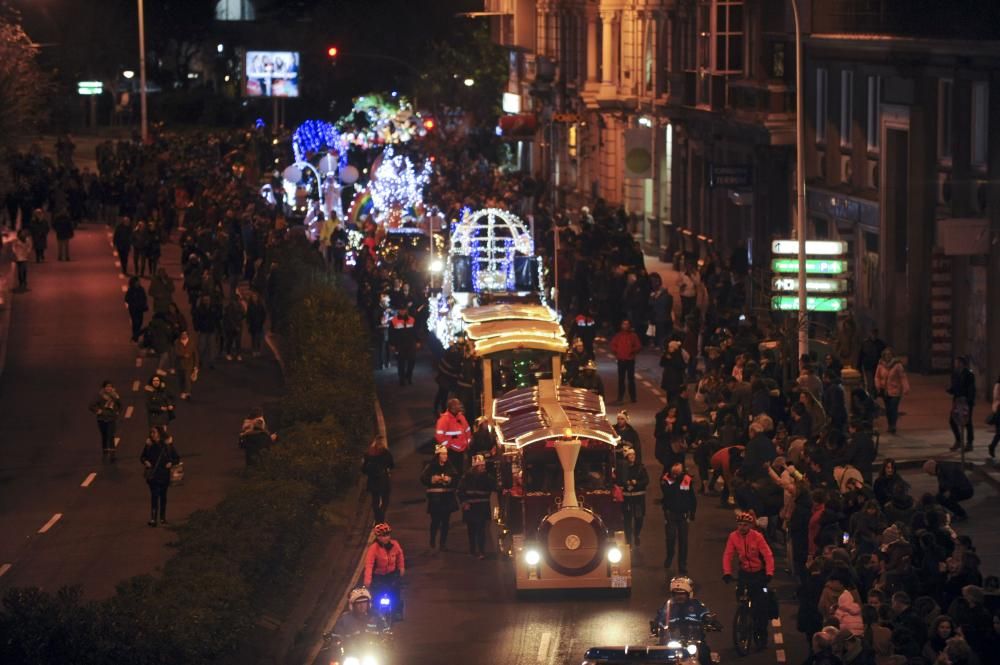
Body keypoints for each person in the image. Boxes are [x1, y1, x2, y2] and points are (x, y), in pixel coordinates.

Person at [722, 511, 775, 648]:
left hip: (759, 573)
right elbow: (728, 555)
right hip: (745, 572)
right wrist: (727, 572)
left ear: (750, 526)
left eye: (745, 525)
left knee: (760, 608)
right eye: (739, 525)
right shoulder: (733, 537)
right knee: (741, 597)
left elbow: (768, 555)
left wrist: (769, 573)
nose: (742, 527)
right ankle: (744, 617)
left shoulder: (757, 537)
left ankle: (761, 634)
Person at [652, 576, 718, 665]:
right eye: (676, 594)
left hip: (694, 641)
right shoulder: (668, 606)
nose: (679, 596)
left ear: (689, 594)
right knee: (659, 657)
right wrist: (656, 624)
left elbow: (704, 614)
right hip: (672, 640)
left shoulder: (696, 605)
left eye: (682, 594)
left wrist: (709, 619)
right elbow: (661, 616)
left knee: (704, 654)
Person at [362, 523, 405, 620]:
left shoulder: (395, 545)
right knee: (376, 596)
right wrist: (367, 581)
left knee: (395, 593)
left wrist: (401, 568)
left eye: (387, 535)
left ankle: (397, 611)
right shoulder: (373, 549)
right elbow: (369, 565)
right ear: (378, 537)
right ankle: (375, 614)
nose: (386, 538)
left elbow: (400, 556)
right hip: (378, 576)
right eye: (383, 536)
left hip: (392, 575)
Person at [458, 454, 497, 559]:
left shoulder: (487, 477)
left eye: (484, 466)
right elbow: (460, 491)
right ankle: (472, 550)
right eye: (481, 466)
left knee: (481, 530)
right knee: (471, 530)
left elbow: (495, 487)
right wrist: (464, 502)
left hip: (482, 507)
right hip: (470, 507)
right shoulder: (466, 477)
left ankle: (481, 551)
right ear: (475, 467)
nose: (483, 468)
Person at [420, 445, 458, 550]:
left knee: (446, 522)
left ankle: (443, 543)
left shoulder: (450, 466)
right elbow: (423, 478)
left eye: (446, 454)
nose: (445, 456)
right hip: (435, 499)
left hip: (447, 499)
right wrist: (433, 479)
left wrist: (449, 480)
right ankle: (432, 540)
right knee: (435, 521)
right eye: (443, 454)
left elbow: (456, 479)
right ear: (438, 455)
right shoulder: (431, 467)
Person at [140, 426, 180, 526]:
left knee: (163, 496)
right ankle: (153, 519)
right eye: (151, 432)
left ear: (159, 433)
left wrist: (171, 463)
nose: (152, 434)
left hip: (164, 474)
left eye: (154, 432)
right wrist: (146, 461)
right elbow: (142, 457)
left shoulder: (167, 445)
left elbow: (177, 458)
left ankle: (162, 518)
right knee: (154, 496)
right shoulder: (149, 445)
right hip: (153, 475)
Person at [661, 462, 696, 574]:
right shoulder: (667, 479)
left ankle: (682, 565)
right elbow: (667, 494)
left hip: (683, 515)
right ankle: (670, 555)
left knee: (683, 541)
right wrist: (674, 479)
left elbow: (692, 497)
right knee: (670, 538)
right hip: (671, 513)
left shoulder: (687, 479)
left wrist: (693, 512)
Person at [617, 446, 649, 546]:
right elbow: (618, 480)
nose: (632, 456)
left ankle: (637, 534)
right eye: (630, 455)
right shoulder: (622, 468)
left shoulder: (640, 468)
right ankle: (629, 541)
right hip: (627, 498)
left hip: (638, 499)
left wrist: (637, 483)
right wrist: (623, 485)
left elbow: (646, 481)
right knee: (627, 520)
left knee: (639, 518)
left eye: (633, 454)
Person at [874, 349, 909, 434]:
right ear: (884, 356)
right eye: (886, 354)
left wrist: (906, 388)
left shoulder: (897, 365)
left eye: (890, 354)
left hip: (895, 390)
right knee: (888, 409)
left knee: (893, 408)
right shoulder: (880, 365)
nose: (888, 356)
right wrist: (878, 385)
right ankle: (890, 424)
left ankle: (893, 425)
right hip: (885, 391)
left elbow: (902, 377)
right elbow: (877, 377)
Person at [362, 438, 394, 523]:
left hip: (373, 480)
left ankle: (377, 516)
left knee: (375, 500)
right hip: (383, 479)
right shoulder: (386, 453)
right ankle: (381, 515)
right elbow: (391, 465)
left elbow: (364, 469)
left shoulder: (368, 454)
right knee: (385, 499)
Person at [435, 398, 471, 473]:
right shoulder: (444, 420)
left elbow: (467, 430)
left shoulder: (461, 417)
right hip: (451, 452)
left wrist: (468, 444)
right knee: (452, 472)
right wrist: (449, 445)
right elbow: (439, 437)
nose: (460, 406)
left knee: (461, 471)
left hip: (462, 450)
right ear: (453, 407)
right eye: (458, 405)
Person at [948, 356, 976, 451]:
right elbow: (955, 386)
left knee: (967, 422)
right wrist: (950, 390)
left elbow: (971, 389)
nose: (956, 364)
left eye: (957, 362)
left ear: (962, 363)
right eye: (955, 362)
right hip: (957, 401)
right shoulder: (955, 374)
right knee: (952, 421)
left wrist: (969, 401)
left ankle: (969, 443)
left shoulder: (969, 374)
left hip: (966, 402)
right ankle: (958, 440)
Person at [609, 319, 642, 403]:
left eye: (627, 324)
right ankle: (620, 397)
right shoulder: (618, 335)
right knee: (621, 379)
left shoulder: (633, 336)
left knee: (631, 379)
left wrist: (632, 350)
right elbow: (612, 345)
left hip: (630, 360)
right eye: (624, 324)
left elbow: (638, 346)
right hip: (621, 360)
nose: (625, 326)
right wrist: (617, 352)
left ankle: (633, 397)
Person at [89, 380, 121, 462]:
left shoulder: (115, 396)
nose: (109, 388)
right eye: (107, 386)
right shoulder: (100, 396)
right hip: (102, 419)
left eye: (110, 386)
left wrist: (117, 412)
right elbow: (91, 405)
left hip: (111, 418)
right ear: (104, 388)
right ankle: (105, 452)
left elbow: (120, 405)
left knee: (111, 435)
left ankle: (112, 455)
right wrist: (98, 411)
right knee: (104, 436)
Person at [388, 305, 418, 386]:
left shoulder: (412, 319)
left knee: (412, 361)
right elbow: (391, 334)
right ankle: (402, 379)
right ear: (398, 311)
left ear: (406, 310)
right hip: (400, 344)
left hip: (410, 343)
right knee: (401, 363)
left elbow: (415, 331)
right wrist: (392, 344)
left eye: (404, 310)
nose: (402, 311)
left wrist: (418, 341)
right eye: (401, 310)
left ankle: (409, 376)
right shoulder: (394, 321)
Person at [858, 329, 887, 393]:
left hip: (878, 366)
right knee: (870, 382)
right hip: (868, 366)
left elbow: (884, 355)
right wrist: (859, 365)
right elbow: (861, 355)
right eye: (872, 334)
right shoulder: (865, 343)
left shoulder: (881, 344)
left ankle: (875, 393)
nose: (874, 335)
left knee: (877, 380)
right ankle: (871, 394)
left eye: (875, 334)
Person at [173, 330, 198, 400]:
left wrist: (196, 366)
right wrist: (183, 355)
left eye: (185, 334)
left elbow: (195, 354)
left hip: (189, 364)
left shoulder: (192, 343)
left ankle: (188, 392)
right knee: (181, 379)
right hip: (179, 365)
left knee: (187, 378)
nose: (184, 336)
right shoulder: (177, 342)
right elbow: (176, 352)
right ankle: (182, 391)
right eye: (182, 334)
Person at [124, 276, 148, 342]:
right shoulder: (131, 290)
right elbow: (126, 299)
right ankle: (135, 336)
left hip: (140, 308)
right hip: (133, 309)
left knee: (140, 322)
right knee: (135, 322)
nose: (139, 283)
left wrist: (144, 303)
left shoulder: (141, 289)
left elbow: (144, 297)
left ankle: (136, 334)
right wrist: (132, 302)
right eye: (137, 282)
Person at [245, 292, 267, 358]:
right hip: (253, 324)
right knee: (254, 338)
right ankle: (254, 350)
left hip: (259, 324)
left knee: (259, 338)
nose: (255, 298)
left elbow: (264, 314)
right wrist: (248, 323)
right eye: (253, 297)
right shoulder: (250, 306)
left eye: (256, 297)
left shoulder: (260, 305)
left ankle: (258, 350)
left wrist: (262, 321)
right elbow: (248, 315)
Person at [988, 374, 1000, 459]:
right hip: (999, 410)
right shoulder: (998, 385)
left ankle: (992, 446)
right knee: (999, 432)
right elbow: (997, 397)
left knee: (999, 433)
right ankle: (992, 446)